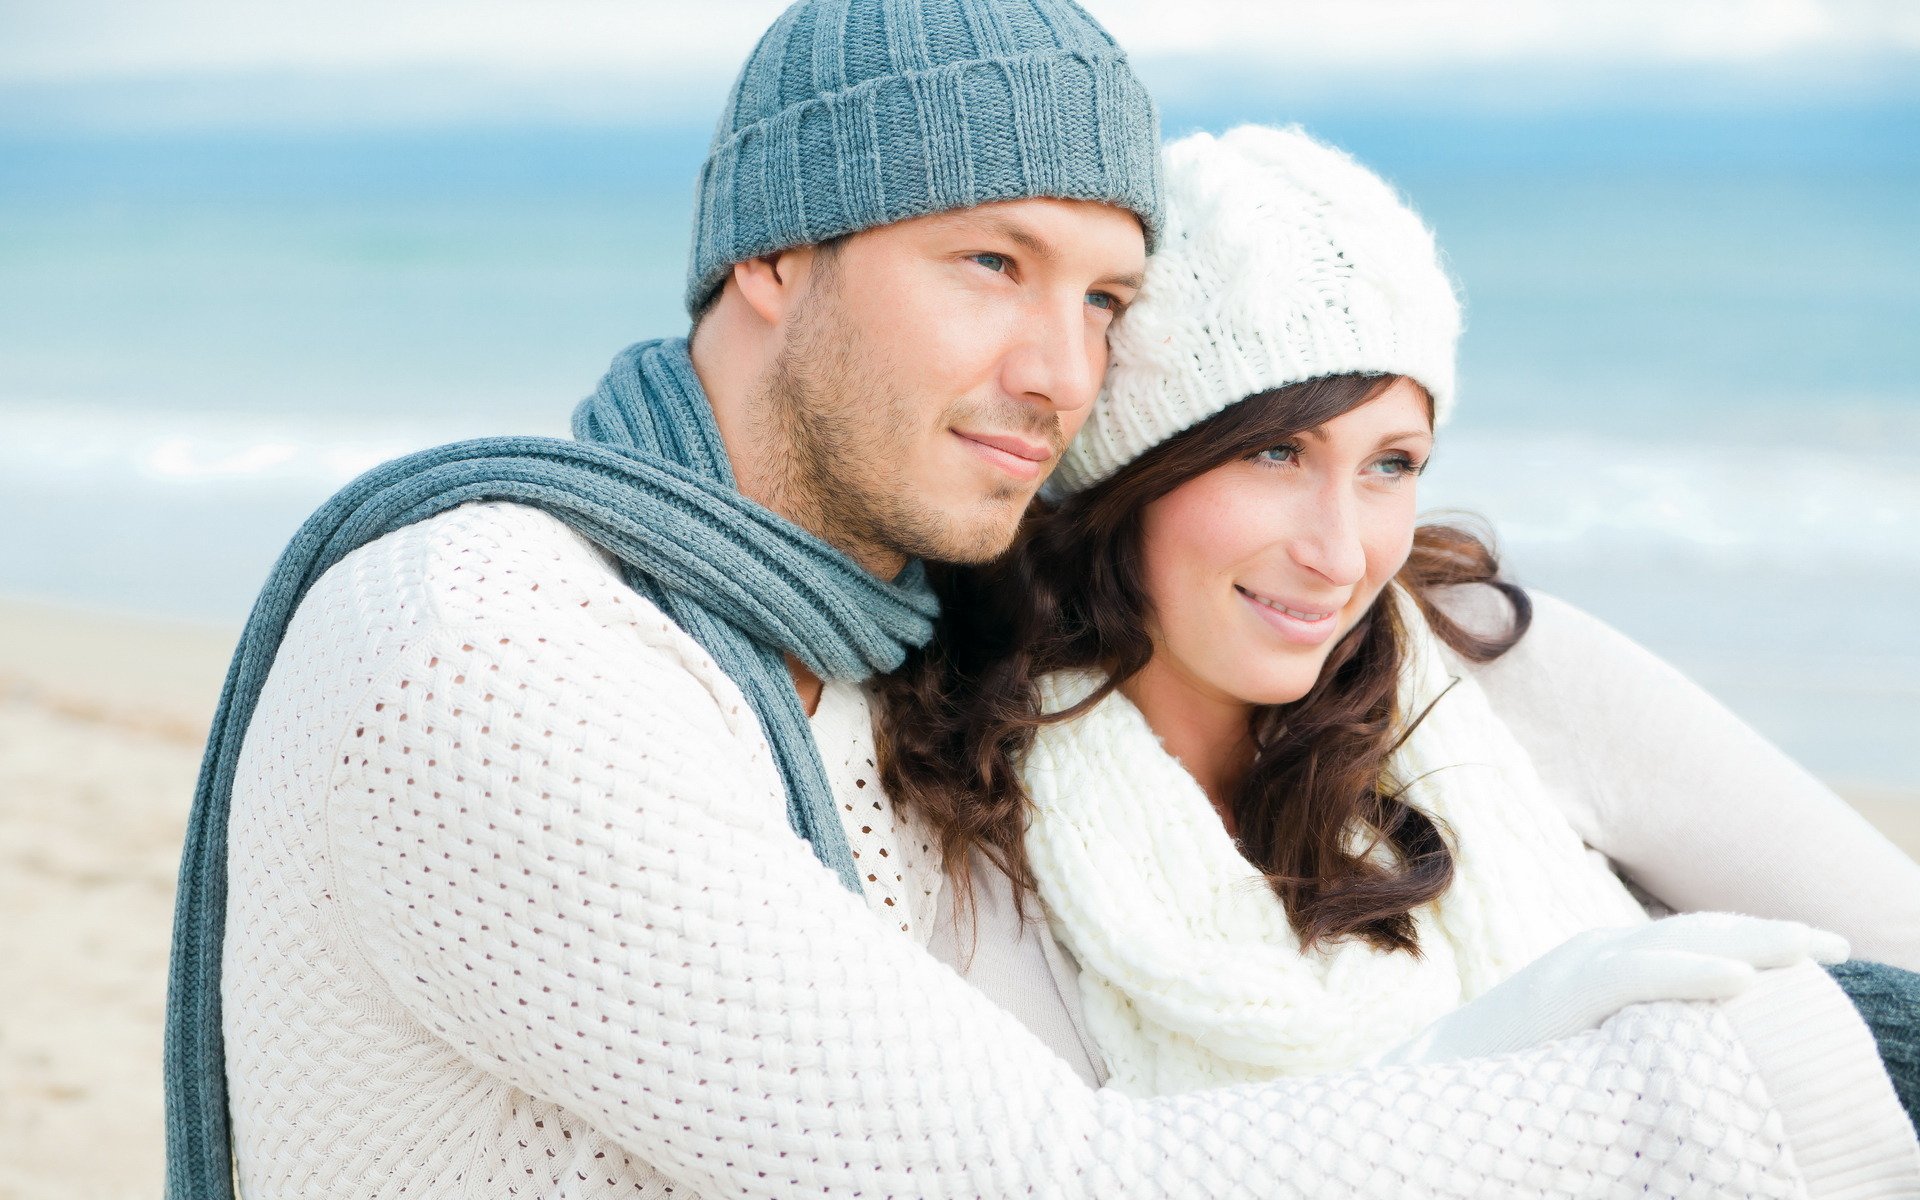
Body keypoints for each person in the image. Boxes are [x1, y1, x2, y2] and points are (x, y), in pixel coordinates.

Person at [163, 4, 1915, 1198]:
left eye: (1105, 299)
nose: (1055, 368)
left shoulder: (877, 652)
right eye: (990, 263)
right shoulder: (494, 652)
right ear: (775, 255)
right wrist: (1778, 1075)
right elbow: (1034, 1177)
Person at [878, 121, 1920, 1141]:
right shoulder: (962, 816)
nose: (1339, 555)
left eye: (1391, 464)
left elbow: (1901, 974)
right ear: (1125, 474)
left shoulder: (1506, 671)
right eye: (1276, 455)